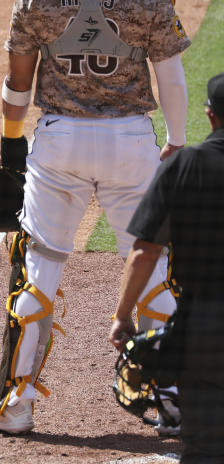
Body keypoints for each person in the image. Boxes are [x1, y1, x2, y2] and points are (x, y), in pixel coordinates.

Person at [0, 0, 191, 435]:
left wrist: (10, 148)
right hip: (131, 145)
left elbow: (17, 84)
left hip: (59, 143)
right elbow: (170, 77)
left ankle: (17, 405)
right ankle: (170, 402)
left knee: (38, 272)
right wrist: (178, 142)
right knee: (157, 271)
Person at [110, 72, 224, 461]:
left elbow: (145, 252)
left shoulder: (184, 167)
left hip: (205, 331)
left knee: (206, 447)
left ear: (210, 116)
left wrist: (122, 316)